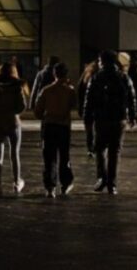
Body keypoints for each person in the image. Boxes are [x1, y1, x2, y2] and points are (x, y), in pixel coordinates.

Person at [83, 50, 136, 194]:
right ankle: (112, 183)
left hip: (101, 118)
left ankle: (102, 178)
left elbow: (89, 99)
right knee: (115, 151)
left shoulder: (96, 78)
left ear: (103, 62)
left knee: (100, 148)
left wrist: (87, 116)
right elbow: (131, 97)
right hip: (119, 118)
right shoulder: (124, 77)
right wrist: (132, 115)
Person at [0, 61, 28, 198]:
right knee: (15, 154)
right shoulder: (17, 87)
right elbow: (21, 107)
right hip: (13, 123)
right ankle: (16, 182)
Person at [34, 62, 78, 198]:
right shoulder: (70, 91)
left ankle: (50, 187)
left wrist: (46, 116)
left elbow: (38, 111)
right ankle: (65, 184)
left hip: (49, 125)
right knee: (64, 156)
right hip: (64, 126)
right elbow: (74, 105)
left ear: (54, 74)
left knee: (49, 158)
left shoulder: (46, 90)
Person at [77, 61, 98, 156]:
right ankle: (95, 147)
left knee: (89, 130)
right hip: (97, 108)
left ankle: (90, 148)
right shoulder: (99, 78)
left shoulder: (85, 77)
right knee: (97, 129)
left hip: (87, 107)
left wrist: (81, 107)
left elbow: (80, 92)